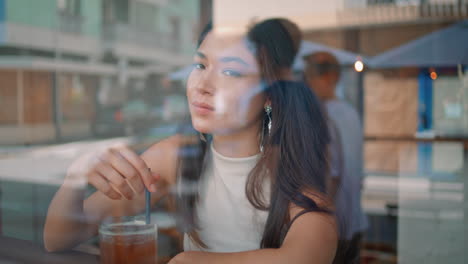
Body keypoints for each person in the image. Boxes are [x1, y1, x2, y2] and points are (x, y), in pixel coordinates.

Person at [44, 18, 338, 263]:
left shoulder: (292, 179)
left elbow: (307, 256)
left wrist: (191, 260)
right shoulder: (177, 156)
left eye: (231, 71)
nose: (202, 85)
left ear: (269, 95)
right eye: (200, 65)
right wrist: (78, 173)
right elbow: (58, 238)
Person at [303, 51, 368, 263]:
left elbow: (331, 175)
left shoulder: (322, 116)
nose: (308, 82)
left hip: (334, 224)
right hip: (354, 219)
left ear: (330, 78)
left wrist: (317, 222)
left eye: (311, 75)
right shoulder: (351, 113)